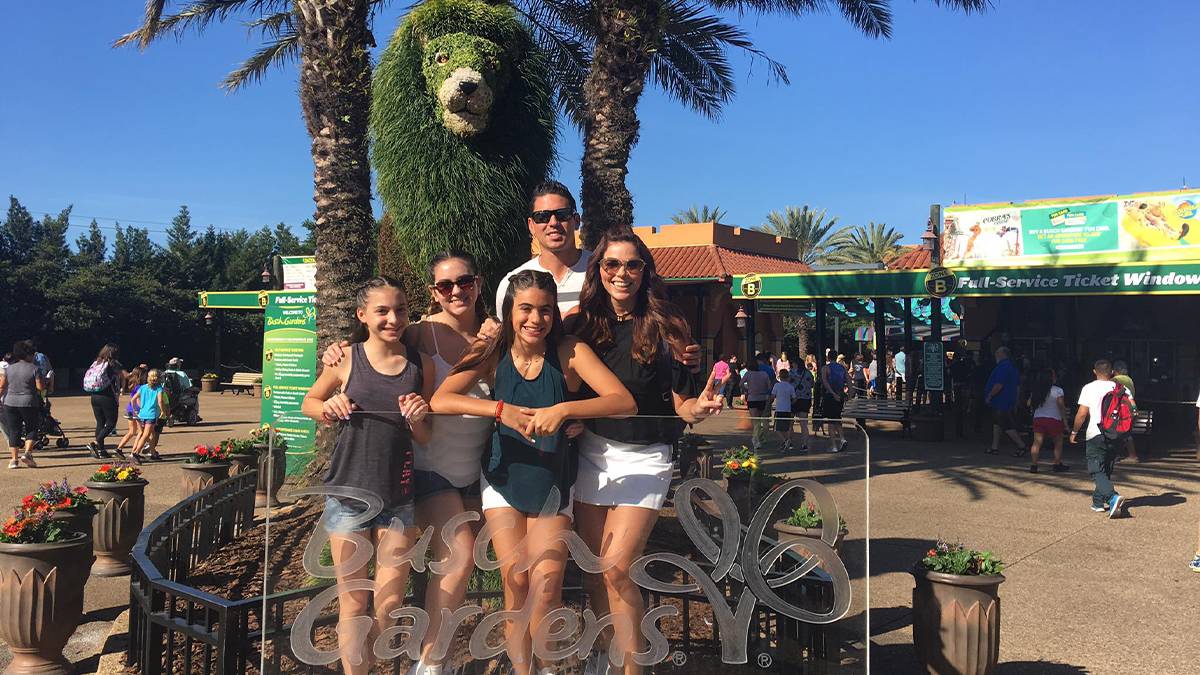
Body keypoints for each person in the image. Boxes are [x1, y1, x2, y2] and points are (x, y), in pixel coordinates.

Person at [432, 270, 634, 675]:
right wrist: (498, 410)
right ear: (510, 311)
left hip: (552, 480)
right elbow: (441, 398)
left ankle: (546, 667)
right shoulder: (493, 350)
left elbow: (622, 400)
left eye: (545, 309)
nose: (535, 319)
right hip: (503, 478)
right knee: (517, 580)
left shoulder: (569, 351)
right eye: (525, 308)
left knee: (546, 586)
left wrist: (565, 409)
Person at [322, 253, 498, 675]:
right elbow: (372, 348)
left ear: (478, 283)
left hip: (470, 466)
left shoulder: (497, 335)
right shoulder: (420, 334)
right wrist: (337, 350)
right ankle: (423, 661)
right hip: (416, 467)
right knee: (453, 558)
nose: (456, 290)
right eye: (444, 285)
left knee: (438, 568)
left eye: (465, 281)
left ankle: (425, 658)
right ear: (433, 292)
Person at [566, 232, 721, 675]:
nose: (622, 274)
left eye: (632, 265)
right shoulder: (580, 325)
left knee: (618, 569)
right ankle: (605, 655)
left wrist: (701, 407)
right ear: (598, 270)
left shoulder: (668, 325)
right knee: (595, 571)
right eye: (612, 265)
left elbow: (683, 406)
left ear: (645, 271)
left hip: (647, 457)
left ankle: (633, 668)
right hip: (591, 454)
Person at [301, 276, 435, 675]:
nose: (393, 318)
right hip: (348, 496)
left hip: (399, 496)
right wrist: (330, 406)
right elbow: (311, 401)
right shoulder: (346, 359)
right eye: (382, 310)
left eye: (400, 309)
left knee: (390, 603)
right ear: (362, 315)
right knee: (353, 601)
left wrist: (419, 418)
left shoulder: (419, 364)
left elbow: (425, 436)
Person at [496, 180, 591, 318]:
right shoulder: (512, 283)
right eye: (542, 217)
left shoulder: (604, 272)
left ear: (576, 221)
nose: (553, 223)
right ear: (531, 225)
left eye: (562, 214)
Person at [1069, 359, 1128, 518]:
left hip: (1095, 433)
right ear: (1112, 372)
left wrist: (1074, 432)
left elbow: (1082, 413)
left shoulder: (1088, 388)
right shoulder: (1121, 388)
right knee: (1105, 469)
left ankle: (1112, 497)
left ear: (1094, 371)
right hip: (1115, 434)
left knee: (1096, 469)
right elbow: (1132, 410)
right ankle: (1097, 503)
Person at [1, 341, 45, 468]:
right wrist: (46, 382)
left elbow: (2, 386)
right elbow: (40, 387)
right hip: (29, 402)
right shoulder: (34, 368)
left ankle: (14, 460)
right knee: (32, 428)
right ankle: (27, 453)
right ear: (28, 355)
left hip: (10, 402)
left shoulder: (9, 369)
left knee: (14, 430)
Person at [83, 343, 127, 459]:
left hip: (94, 396)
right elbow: (126, 376)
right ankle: (95, 443)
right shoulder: (113, 363)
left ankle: (101, 450)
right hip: (108, 396)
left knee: (100, 423)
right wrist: (139, 371)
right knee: (111, 423)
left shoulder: (97, 362)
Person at [983, 346, 1028, 456]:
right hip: (1008, 400)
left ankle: (1022, 445)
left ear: (1002, 354)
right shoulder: (1013, 367)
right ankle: (994, 447)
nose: (995, 355)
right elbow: (1018, 386)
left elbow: (999, 384)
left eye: (997, 353)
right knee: (997, 424)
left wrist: (990, 395)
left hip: (1001, 400)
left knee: (1006, 425)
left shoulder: (1003, 367)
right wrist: (1016, 400)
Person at [1027, 366, 1069, 473]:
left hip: (1039, 418)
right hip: (1054, 419)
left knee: (1037, 443)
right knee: (1058, 442)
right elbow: (1061, 406)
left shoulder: (1036, 390)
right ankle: (1056, 463)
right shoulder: (1058, 391)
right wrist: (1065, 421)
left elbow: (1028, 403)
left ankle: (1034, 465)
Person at [129, 369, 168, 464]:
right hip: (151, 414)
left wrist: (135, 410)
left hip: (142, 414)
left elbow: (133, 399)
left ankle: (153, 453)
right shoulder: (159, 389)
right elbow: (160, 401)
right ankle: (136, 453)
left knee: (152, 434)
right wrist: (163, 411)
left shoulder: (142, 387)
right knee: (146, 435)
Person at [112, 366, 146, 459]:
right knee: (141, 432)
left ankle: (119, 448)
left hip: (129, 410)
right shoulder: (141, 387)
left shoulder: (133, 385)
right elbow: (138, 400)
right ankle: (134, 452)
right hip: (137, 411)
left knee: (131, 431)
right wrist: (142, 410)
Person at [819, 349, 848, 452]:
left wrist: (832, 393)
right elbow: (848, 381)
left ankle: (834, 446)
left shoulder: (825, 368)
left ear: (828, 357)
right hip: (840, 395)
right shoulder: (842, 368)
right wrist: (849, 394)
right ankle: (842, 438)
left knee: (831, 422)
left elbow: (825, 382)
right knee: (837, 418)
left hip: (830, 396)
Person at [742, 355, 772, 451]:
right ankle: (757, 438)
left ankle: (756, 439)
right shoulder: (764, 374)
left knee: (755, 421)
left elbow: (740, 384)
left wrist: (747, 389)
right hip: (762, 398)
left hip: (752, 398)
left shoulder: (748, 374)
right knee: (759, 420)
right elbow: (769, 386)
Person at [1112, 360, 1139, 462]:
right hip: (1130, 408)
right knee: (1127, 433)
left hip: (1120, 409)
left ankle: (1116, 455)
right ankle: (1132, 455)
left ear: (1115, 370)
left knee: (1114, 432)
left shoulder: (1114, 380)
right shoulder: (1129, 379)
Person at [771, 369, 799, 453]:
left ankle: (785, 440)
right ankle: (788, 441)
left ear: (780, 377)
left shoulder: (777, 385)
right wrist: (790, 402)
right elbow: (795, 398)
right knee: (788, 427)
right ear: (788, 377)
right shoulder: (790, 386)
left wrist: (770, 401)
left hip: (779, 409)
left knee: (777, 428)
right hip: (787, 409)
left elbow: (772, 396)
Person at [791, 358, 814, 452]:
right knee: (803, 424)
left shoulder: (791, 373)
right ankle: (804, 444)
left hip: (793, 399)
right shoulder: (808, 373)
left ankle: (789, 442)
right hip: (805, 399)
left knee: (790, 422)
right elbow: (812, 384)